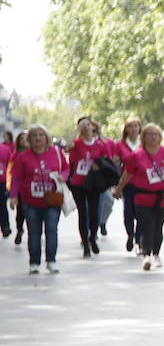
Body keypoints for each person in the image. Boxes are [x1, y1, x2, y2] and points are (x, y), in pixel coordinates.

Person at [113, 123, 164, 271]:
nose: (153, 137)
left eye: (156, 134)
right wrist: (119, 189)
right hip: (142, 198)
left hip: (162, 197)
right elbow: (127, 174)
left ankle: (156, 254)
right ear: (144, 137)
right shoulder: (137, 155)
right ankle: (146, 256)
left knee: (158, 227)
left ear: (160, 137)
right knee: (146, 226)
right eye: (149, 134)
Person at [8, 125, 68, 274]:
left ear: (47, 137)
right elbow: (16, 177)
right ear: (29, 139)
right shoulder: (23, 156)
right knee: (34, 232)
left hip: (52, 200)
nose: (38, 138)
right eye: (34, 135)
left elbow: (66, 168)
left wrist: (63, 177)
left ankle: (51, 261)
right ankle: (34, 262)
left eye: (41, 135)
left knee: (51, 230)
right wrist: (13, 196)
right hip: (30, 202)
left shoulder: (57, 153)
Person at [67, 116, 115, 257]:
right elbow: (73, 160)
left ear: (93, 127)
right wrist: (73, 149)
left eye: (88, 125)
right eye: (83, 126)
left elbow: (108, 161)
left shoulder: (101, 144)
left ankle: (93, 237)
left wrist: (98, 164)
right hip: (79, 182)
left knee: (94, 213)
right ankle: (85, 244)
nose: (86, 127)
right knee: (83, 213)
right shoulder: (76, 143)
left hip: (95, 182)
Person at [113, 118, 142, 253]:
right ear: (126, 129)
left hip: (143, 184)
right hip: (128, 183)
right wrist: (116, 185)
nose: (133, 129)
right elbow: (116, 165)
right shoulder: (120, 145)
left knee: (142, 213)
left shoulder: (144, 144)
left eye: (136, 126)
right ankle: (130, 234)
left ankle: (139, 239)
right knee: (128, 212)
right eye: (130, 126)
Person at [10, 131, 26, 246]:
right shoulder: (15, 155)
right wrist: (12, 193)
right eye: (22, 139)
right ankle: (19, 230)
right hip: (20, 189)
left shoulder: (36, 153)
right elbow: (12, 174)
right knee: (20, 212)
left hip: (33, 189)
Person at [0, 130, 13, 239]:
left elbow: (11, 165)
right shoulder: (5, 149)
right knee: (2, 205)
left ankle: (5, 227)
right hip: (2, 181)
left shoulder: (5, 149)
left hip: (2, 181)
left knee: (2, 205)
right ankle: (5, 227)